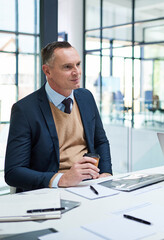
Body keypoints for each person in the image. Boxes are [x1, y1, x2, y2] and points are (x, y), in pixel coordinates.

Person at [5, 41, 112, 193]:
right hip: (51, 190)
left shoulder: (86, 97)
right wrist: (61, 179)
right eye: (68, 67)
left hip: (90, 185)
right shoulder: (24, 110)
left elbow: (100, 141)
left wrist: (106, 174)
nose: (77, 72)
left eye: (78, 64)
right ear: (47, 71)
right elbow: (13, 172)